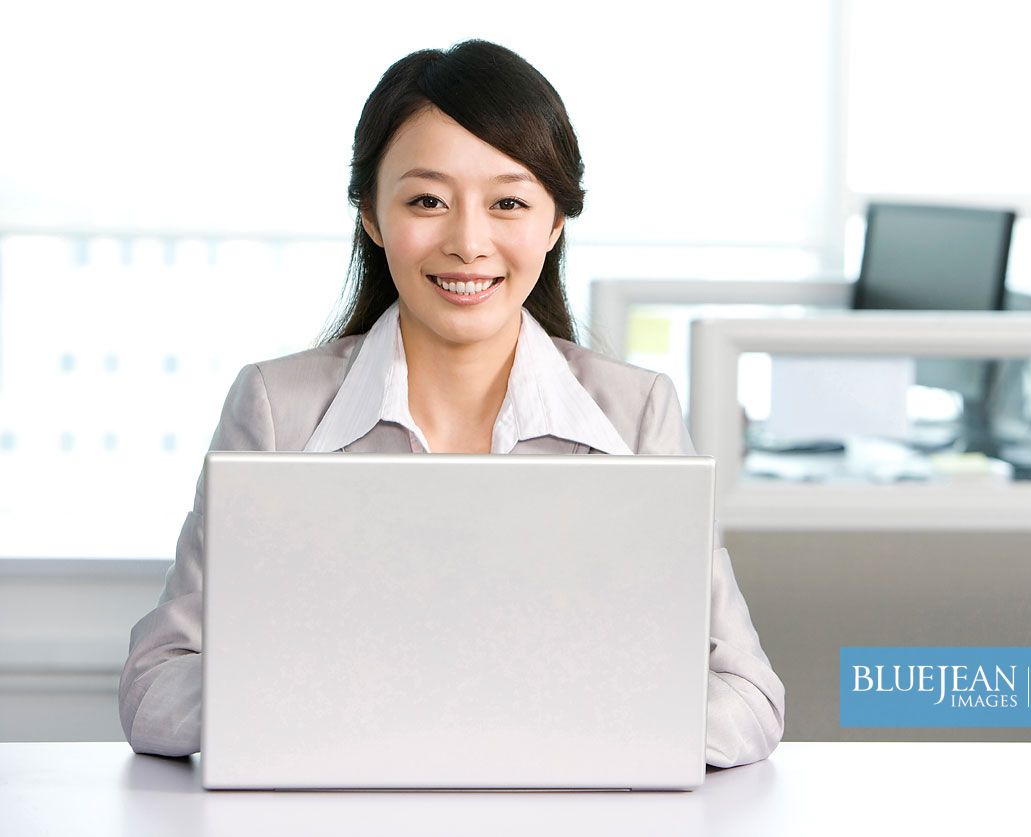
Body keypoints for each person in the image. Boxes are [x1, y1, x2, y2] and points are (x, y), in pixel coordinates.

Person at [119, 39, 784, 769]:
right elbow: (156, 686)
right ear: (371, 215)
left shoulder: (633, 413)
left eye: (507, 203)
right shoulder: (279, 408)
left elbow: (747, 697)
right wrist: (370, 708)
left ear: (554, 223)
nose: (469, 242)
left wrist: (513, 718)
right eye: (427, 201)